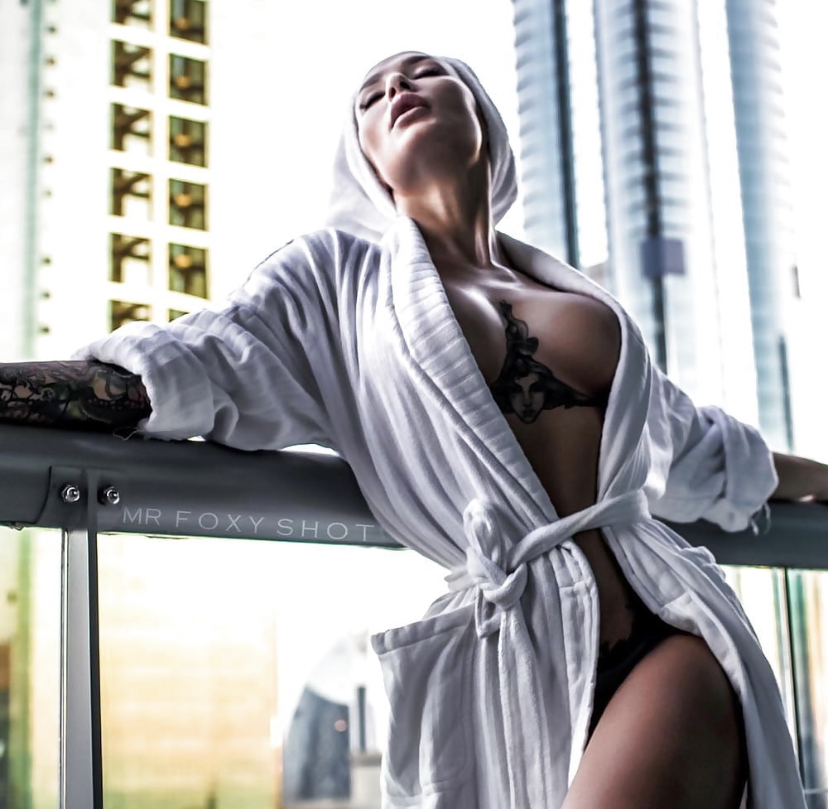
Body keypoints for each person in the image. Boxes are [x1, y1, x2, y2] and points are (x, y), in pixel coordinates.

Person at [0, 51, 822, 809]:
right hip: (510, 671)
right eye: (370, 95)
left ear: (480, 113)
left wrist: (821, 477)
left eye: (424, 72)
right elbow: (185, 364)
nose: (396, 88)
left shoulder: (584, 302)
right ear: (362, 157)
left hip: (664, 631)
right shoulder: (334, 286)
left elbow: (701, 449)